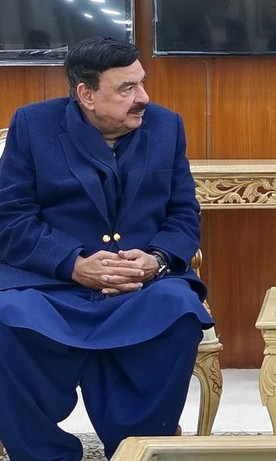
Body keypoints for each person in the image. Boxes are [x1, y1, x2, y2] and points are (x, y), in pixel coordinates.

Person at [0, 37, 214, 460]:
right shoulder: (33, 125)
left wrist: (156, 260)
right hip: (52, 284)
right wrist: (73, 264)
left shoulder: (167, 126)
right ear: (86, 94)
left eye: (142, 83)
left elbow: (184, 214)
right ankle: (43, 454)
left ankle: (138, 449)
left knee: (180, 310)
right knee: (7, 317)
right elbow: (12, 218)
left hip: (141, 284)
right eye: (127, 88)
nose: (143, 97)